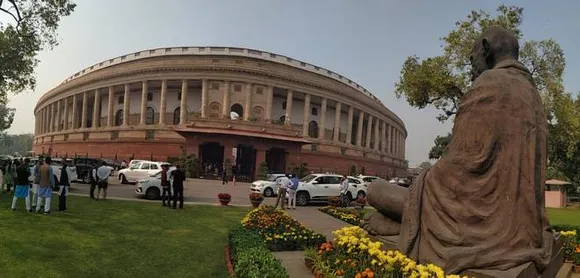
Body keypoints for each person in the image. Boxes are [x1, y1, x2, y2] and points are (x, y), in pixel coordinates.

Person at [362, 26, 556, 273]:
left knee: (375, 189)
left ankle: (409, 224)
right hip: (522, 226)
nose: (472, 65)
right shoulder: (533, 94)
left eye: (472, 56)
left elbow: (460, 164)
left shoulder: (490, 82)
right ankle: (408, 223)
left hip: (471, 218)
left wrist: (421, 185)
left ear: (485, 49)